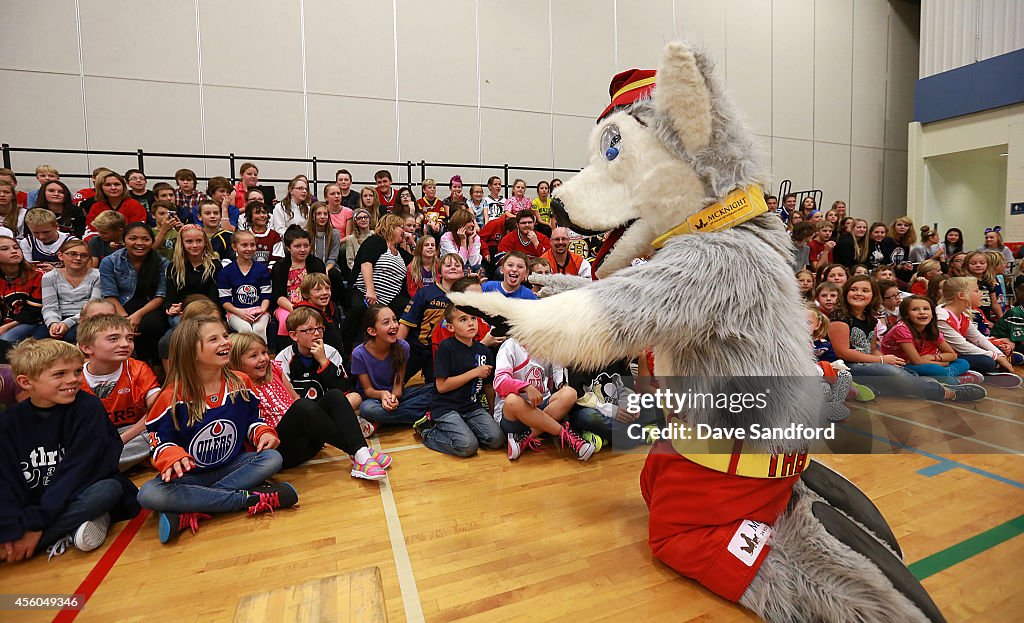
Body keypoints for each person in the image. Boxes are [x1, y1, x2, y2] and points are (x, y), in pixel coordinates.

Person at [136, 317, 297, 544]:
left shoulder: (240, 382)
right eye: (214, 339)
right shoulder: (172, 396)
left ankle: (191, 507)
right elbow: (158, 438)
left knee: (272, 458)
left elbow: (253, 418)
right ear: (191, 351)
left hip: (233, 466)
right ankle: (249, 499)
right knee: (147, 493)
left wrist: (263, 432)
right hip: (190, 477)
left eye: (224, 336)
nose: (225, 342)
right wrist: (171, 454)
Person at [0, 339, 140, 562]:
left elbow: (80, 472)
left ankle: (37, 540)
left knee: (109, 489)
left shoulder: (88, 408)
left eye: (76, 371)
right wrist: (10, 526)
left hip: (78, 492)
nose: (73, 380)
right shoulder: (9, 422)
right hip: (36, 506)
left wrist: (36, 525)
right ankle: (78, 525)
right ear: (26, 382)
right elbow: (5, 480)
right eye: (59, 374)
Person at [229, 332, 388, 479]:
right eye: (253, 356)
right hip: (281, 451)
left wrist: (319, 425)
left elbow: (295, 398)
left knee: (334, 396)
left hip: (307, 442)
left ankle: (361, 452)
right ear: (236, 362)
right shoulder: (237, 387)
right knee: (302, 407)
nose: (263, 358)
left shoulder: (274, 368)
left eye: (264, 352)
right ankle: (360, 453)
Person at [827, 275, 983, 401]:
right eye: (853, 289)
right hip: (848, 366)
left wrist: (887, 360)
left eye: (865, 290)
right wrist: (882, 361)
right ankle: (944, 392)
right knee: (893, 373)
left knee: (899, 370)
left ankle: (875, 388)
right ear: (846, 292)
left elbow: (873, 349)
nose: (859, 293)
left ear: (873, 295)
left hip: (869, 363)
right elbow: (843, 352)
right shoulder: (840, 317)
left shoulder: (871, 319)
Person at [77, 314, 161, 470]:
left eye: (129, 338)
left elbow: (159, 411)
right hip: (94, 437)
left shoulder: (138, 369)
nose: (125, 344)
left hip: (131, 434)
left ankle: (94, 468)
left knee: (159, 431)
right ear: (87, 347)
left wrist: (120, 440)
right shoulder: (74, 376)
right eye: (113, 339)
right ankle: (130, 462)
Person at [417, 304, 502, 457]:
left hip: (471, 407)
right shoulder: (446, 347)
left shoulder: (484, 351)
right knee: (468, 447)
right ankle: (426, 430)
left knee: (496, 439)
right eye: (463, 319)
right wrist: (474, 372)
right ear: (451, 327)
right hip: (446, 407)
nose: (471, 323)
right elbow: (441, 387)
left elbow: (489, 387)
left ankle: (466, 428)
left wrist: (492, 414)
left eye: (473, 318)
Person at [493, 336, 593, 461]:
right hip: (515, 414)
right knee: (512, 400)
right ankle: (566, 435)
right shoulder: (510, 345)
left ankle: (524, 438)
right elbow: (499, 382)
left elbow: (557, 370)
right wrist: (526, 387)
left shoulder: (546, 344)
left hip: (540, 405)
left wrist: (561, 384)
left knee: (570, 393)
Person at [98, 223, 169, 363]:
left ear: (152, 241)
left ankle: (151, 365)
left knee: (151, 325)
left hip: (150, 306)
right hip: (120, 305)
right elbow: (109, 294)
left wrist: (138, 315)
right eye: (133, 238)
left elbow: (160, 295)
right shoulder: (110, 262)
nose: (139, 243)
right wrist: (125, 318)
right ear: (124, 240)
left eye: (145, 239)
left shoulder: (162, 263)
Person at [351, 305, 431, 426]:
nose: (394, 325)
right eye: (386, 322)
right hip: (373, 399)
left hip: (396, 396)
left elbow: (398, 388)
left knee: (435, 390)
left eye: (394, 319)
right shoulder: (359, 354)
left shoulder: (403, 347)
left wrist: (393, 398)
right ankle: (426, 415)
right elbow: (368, 390)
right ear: (372, 331)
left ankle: (383, 420)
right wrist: (383, 395)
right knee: (366, 409)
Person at [937, 277, 1021, 386]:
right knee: (988, 361)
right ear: (961, 295)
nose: (981, 294)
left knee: (998, 350)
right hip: (944, 356)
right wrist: (995, 357)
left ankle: (985, 373)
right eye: (976, 291)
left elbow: (978, 338)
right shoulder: (942, 317)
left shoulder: (963, 314)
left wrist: (1000, 355)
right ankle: (977, 374)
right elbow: (962, 346)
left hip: (958, 353)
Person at [344, 214, 410, 352]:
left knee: (409, 308)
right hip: (364, 291)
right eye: (400, 227)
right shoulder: (376, 241)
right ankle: (345, 349)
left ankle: (396, 349)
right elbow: (366, 264)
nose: (404, 231)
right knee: (358, 309)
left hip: (390, 299)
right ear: (390, 227)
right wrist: (370, 290)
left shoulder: (400, 252)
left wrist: (410, 243)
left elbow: (415, 263)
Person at [880, 295, 979, 384]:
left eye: (926, 309)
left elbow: (952, 355)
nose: (922, 312)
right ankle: (953, 379)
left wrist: (933, 358)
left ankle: (947, 376)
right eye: (915, 309)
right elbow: (916, 361)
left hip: (926, 361)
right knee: (936, 369)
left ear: (932, 314)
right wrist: (943, 363)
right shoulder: (901, 329)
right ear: (906, 315)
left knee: (963, 362)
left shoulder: (931, 328)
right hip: (901, 364)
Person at [398, 253, 466, 383]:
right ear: (439, 271)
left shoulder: (466, 297)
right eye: (448, 265)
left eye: (457, 266)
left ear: (463, 272)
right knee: (395, 381)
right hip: (418, 349)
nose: (453, 268)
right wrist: (396, 349)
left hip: (443, 354)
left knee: (436, 388)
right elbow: (406, 322)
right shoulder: (426, 293)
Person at [272, 227, 327, 341]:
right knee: (286, 320)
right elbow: (278, 295)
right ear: (288, 247)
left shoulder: (317, 264)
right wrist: (294, 309)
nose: (302, 250)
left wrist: (308, 308)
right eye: (297, 246)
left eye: (306, 246)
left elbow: (322, 290)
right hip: (287, 306)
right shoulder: (280, 266)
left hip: (313, 304)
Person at [42, 239, 102, 343]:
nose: (78, 258)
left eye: (84, 255)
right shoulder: (49, 277)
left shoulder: (98, 276)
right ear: (61, 256)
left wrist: (67, 323)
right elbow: (49, 306)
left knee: (72, 337)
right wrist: (53, 323)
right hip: (60, 317)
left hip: (87, 318)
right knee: (40, 338)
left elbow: (92, 307)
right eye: (72, 254)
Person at [219, 230, 272, 342]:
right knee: (245, 329)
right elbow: (225, 301)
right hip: (236, 311)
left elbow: (266, 296)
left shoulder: (261, 269)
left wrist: (261, 310)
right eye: (244, 245)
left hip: (259, 310)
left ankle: (262, 356)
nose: (249, 248)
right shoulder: (226, 272)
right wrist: (240, 313)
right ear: (234, 247)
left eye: (252, 245)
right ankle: (245, 357)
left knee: (259, 328)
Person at [164, 225, 220, 328]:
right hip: (182, 312)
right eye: (189, 241)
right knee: (182, 327)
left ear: (205, 242)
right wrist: (170, 308)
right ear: (182, 243)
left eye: (199, 241)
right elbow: (169, 299)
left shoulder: (214, 266)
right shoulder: (173, 267)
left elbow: (215, 299)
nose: (195, 245)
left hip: (208, 310)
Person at [0, 236, 45, 349]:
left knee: (4, 341)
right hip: (4, 323)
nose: (14, 251)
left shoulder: (37, 275)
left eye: (16, 247)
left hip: (33, 322)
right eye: (5, 249)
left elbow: (33, 311)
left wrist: (5, 327)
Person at [439, 208, 482, 274]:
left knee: (480, 270)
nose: (473, 225)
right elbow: (458, 263)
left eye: (472, 222)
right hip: (452, 270)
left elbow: (474, 263)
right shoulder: (446, 238)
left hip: (470, 268)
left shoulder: (475, 237)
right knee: (464, 271)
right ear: (460, 223)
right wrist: (463, 241)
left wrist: (471, 243)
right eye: (469, 222)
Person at [964, 251, 1002, 321]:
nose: (978, 265)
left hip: (987, 316)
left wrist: (1002, 319)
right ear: (966, 265)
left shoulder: (988, 281)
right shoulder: (965, 282)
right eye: (973, 263)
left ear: (988, 265)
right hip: (972, 317)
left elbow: (994, 303)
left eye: (982, 263)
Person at [243, 200, 281, 266]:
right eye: (257, 213)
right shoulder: (244, 236)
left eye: (264, 212)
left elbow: (277, 259)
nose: (262, 215)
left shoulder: (274, 236)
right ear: (250, 216)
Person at [406, 235, 437, 299]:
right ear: (420, 248)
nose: (430, 247)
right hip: (419, 300)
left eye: (432, 245)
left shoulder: (439, 265)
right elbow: (412, 290)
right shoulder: (412, 267)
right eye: (426, 245)